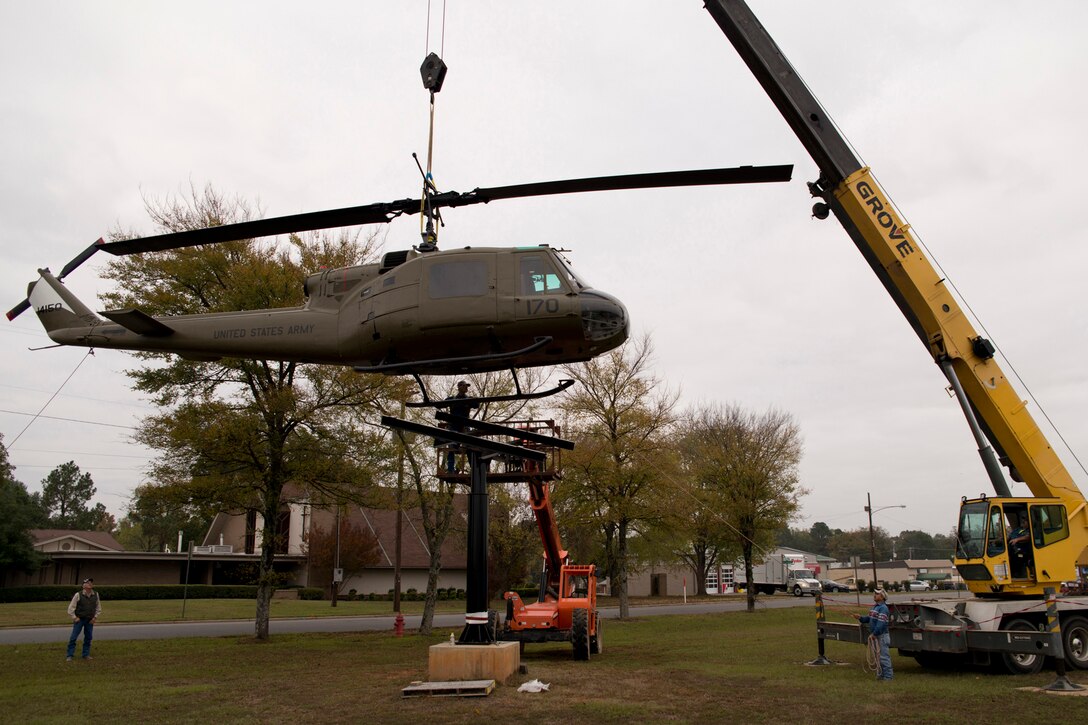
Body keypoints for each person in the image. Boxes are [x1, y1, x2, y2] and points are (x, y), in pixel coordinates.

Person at [853, 588, 892, 681]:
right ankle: (881, 675)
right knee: (877, 657)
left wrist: (874, 633)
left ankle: (888, 677)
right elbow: (869, 618)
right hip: (877, 636)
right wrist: (860, 618)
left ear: (882, 597)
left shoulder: (883, 608)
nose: (874, 595)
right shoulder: (875, 607)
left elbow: (881, 623)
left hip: (881, 636)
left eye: (877, 594)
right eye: (874, 593)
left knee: (883, 657)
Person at [441, 380, 478, 473]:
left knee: (469, 448)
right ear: (459, 387)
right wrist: (436, 403)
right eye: (465, 386)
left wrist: (474, 400)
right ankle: (450, 470)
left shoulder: (468, 399)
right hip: (454, 427)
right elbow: (440, 405)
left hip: (464, 426)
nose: (466, 388)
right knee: (452, 448)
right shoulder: (452, 399)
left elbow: (476, 405)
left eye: (467, 386)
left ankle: (473, 469)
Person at [66, 577, 101, 661]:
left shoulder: (96, 594)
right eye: (88, 583)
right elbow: (71, 608)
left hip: (90, 620)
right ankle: (70, 655)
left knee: (88, 637)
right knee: (73, 637)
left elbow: (98, 607)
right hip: (80, 619)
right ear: (83, 585)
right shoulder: (78, 595)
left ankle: (86, 654)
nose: (90, 584)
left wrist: (95, 617)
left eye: (91, 583)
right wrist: (74, 617)